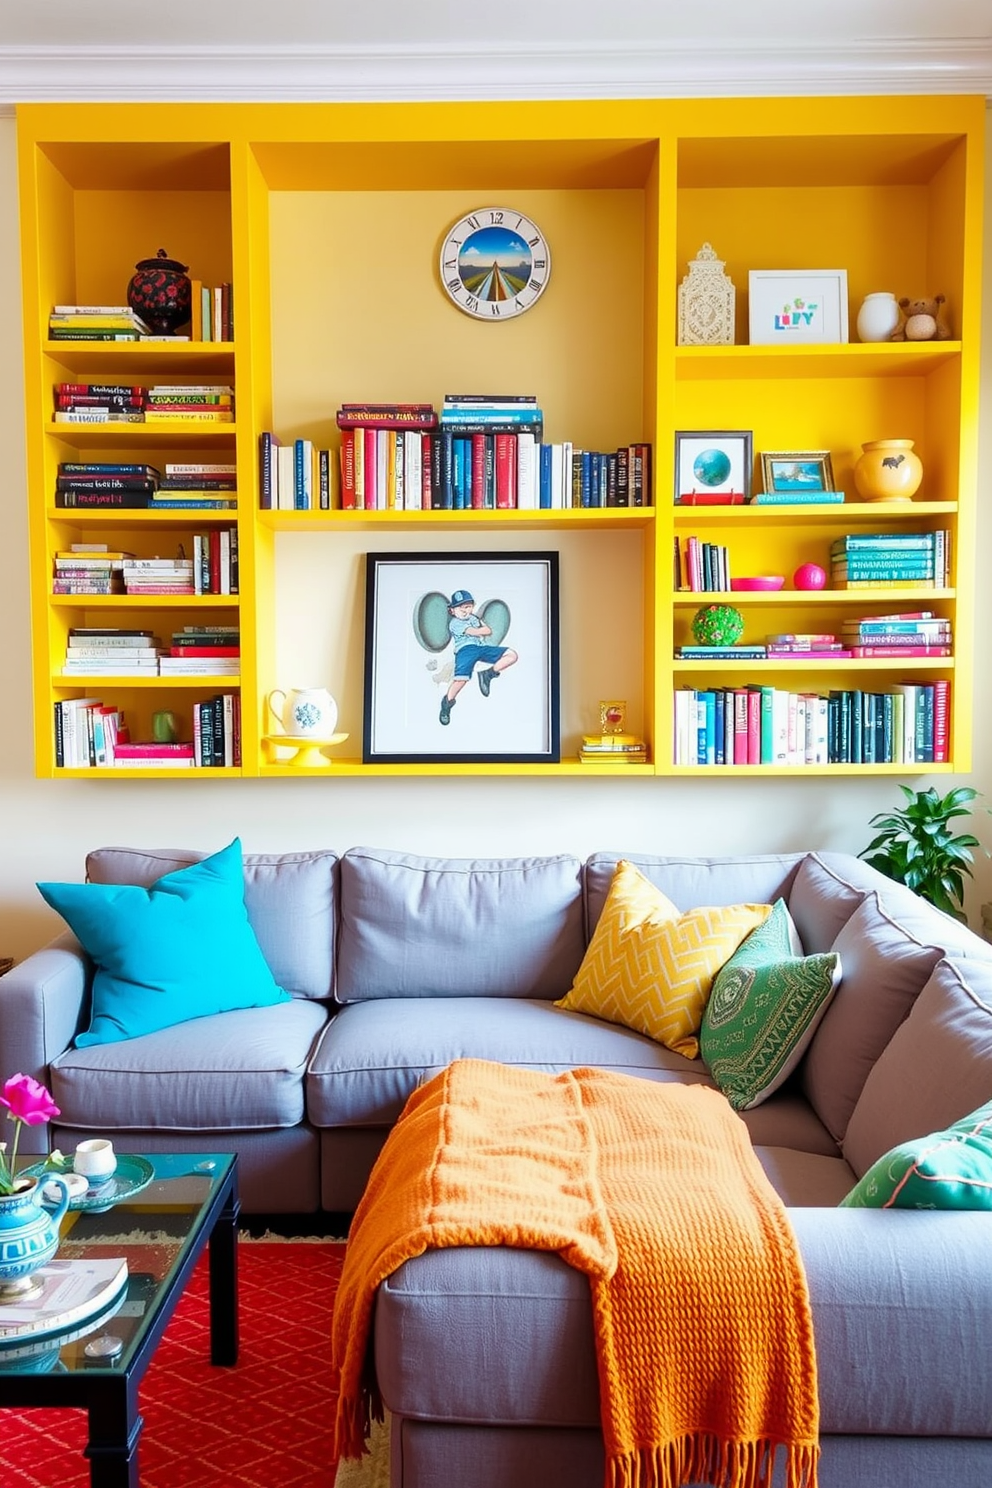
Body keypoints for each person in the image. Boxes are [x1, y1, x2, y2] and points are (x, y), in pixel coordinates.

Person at [439, 590, 517, 726]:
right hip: (465, 651)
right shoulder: (455, 624)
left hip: (481, 647)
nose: (465, 610)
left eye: (468, 606)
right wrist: (481, 627)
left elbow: (489, 631)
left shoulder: (473, 619)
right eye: (460, 607)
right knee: (460, 681)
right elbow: (478, 631)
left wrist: (481, 626)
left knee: (511, 655)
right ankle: (446, 704)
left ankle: (488, 674)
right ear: (452, 610)